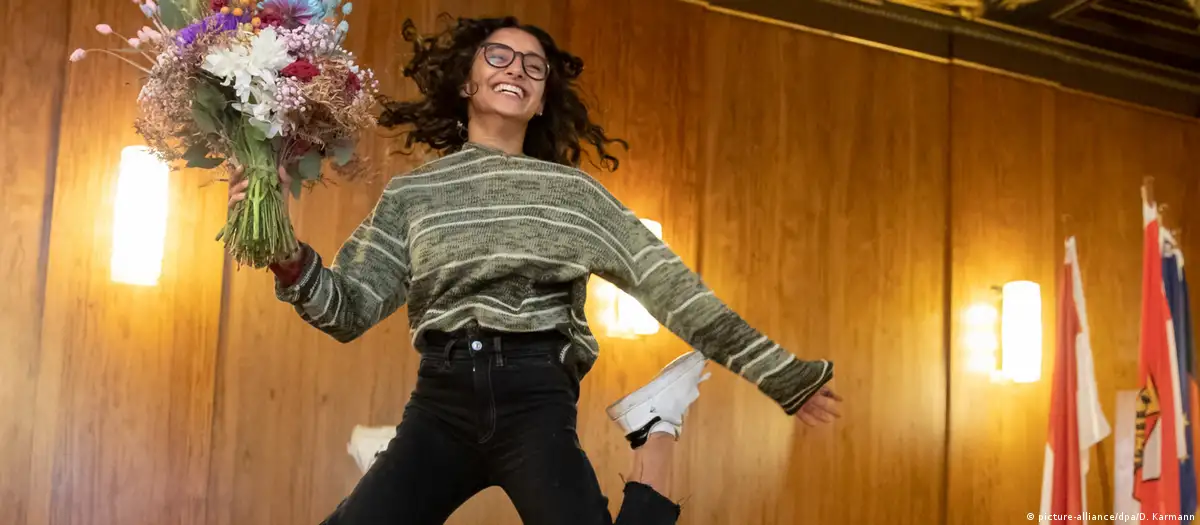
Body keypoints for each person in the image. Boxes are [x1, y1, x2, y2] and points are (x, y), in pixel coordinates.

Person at [227, 15, 843, 525]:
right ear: (467, 82)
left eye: (534, 66)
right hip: (441, 403)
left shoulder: (576, 197)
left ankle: (656, 428)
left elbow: (676, 292)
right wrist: (281, 248)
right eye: (498, 56)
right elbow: (346, 310)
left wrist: (783, 375)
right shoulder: (414, 195)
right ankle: (393, 459)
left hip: (536, 402)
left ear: (542, 100)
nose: (517, 69)